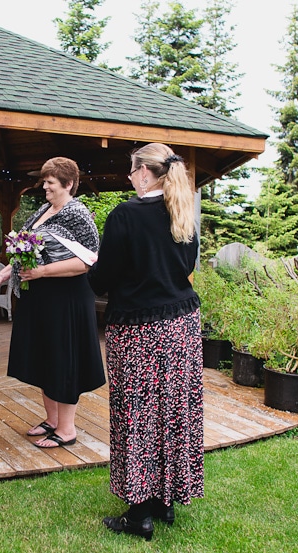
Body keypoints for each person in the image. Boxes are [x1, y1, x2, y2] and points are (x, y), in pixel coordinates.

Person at [88, 143, 203, 541]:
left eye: (131, 170)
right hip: (182, 325)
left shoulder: (125, 214)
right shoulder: (182, 209)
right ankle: (164, 500)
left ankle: (139, 515)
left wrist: (92, 270)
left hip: (138, 327)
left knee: (137, 413)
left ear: (143, 173)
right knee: (173, 411)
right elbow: (186, 266)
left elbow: (105, 278)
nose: (128, 177)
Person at [0, 157, 105, 449]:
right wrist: (2, 276)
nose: (45, 186)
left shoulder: (77, 214)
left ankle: (67, 429)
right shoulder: (43, 210)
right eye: (45, 181)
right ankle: (51, 420)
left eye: (50, 181)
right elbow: (23, 252)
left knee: (64, 359)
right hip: (40, 297)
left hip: (67, 298)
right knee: (45, 357)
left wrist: (43, 272)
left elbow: (89, 261)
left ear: (69, 184)